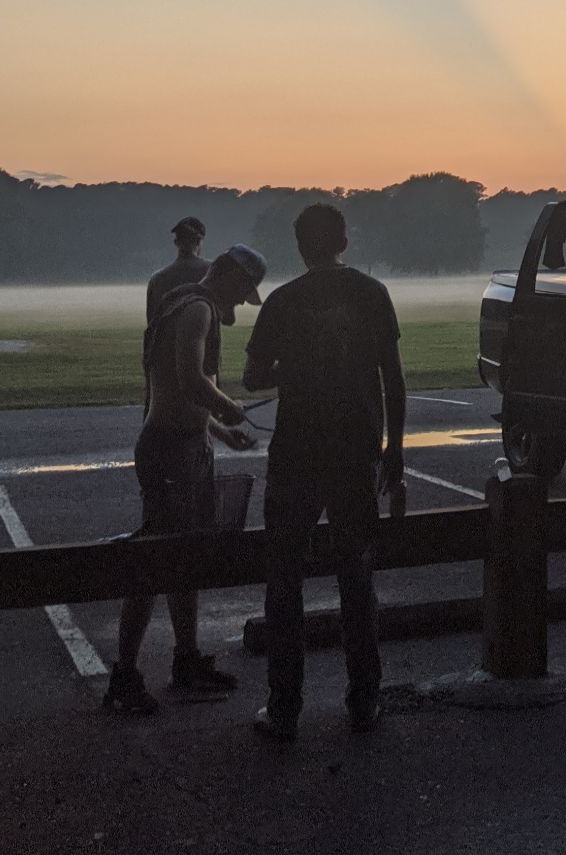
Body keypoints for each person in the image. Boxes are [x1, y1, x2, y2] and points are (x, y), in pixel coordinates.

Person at [243, 202, 405, 741]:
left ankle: (285, 706)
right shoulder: (372, 294)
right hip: (356, 448)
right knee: (356, 576)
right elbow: (394, 380)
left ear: (300, 246)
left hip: (296, 451)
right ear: (343, 241)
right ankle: (364, 699)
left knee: (285, 579)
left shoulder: (285, 301)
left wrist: (296, 364)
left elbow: (251, 377)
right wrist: (394, 449)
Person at [104, 243, 268, 716]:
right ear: (228, 276)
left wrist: (216, 430)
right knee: (155, 559)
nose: (241, 303)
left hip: (180, 441)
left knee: (184, 556)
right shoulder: (198, 310)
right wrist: (227, 406)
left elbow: (173, 393)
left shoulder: (176, 301)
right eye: (242, 291)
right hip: (171, 450)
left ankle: (186, 658)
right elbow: (190, 378)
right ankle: (125, 674)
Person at [146, 217, 209, 323]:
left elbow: (151, 325)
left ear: (176, 242)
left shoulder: (157, 279)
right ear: (199, 241)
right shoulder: (211, 271)